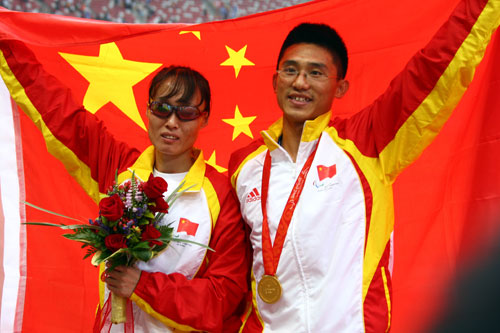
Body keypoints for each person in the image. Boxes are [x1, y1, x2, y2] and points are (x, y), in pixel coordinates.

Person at [228, 0, 500, 331]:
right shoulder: (243, 165)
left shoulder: (368, 141)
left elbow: (431, 69)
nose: (300, 82)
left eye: (316, 73)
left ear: (339, 87)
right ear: (275, 81)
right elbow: (230, 272)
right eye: (290, 70)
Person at [0, 38, 249, 332]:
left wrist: (143, 286)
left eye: (186, 113)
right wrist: (6, 48)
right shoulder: (120, 167)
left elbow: (225, 296)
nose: (171, 122)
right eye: (162, 108)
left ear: (204, 118)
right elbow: (61, 113)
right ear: (147, 109)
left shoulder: (222, 195)